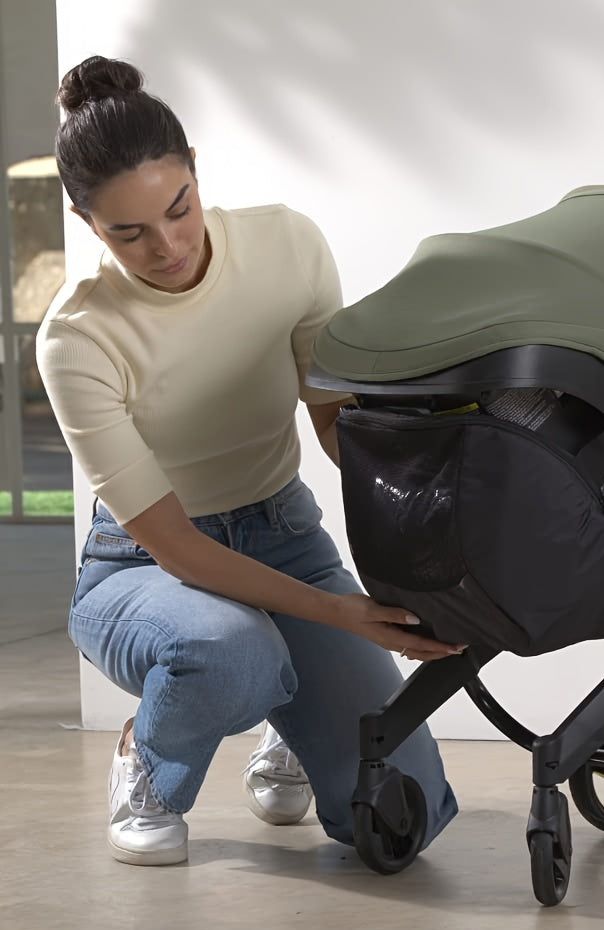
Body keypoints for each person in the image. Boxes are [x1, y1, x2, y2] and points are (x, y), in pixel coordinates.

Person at [37, 55, 462, 866]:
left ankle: (290, 723)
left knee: (403, 822)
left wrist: (428, 514)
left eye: (178, 210)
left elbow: (335, 419)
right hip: (144, 568)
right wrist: (339, 613)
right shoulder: (78, 336)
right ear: (88, 221)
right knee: (231, 648)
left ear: (195, 170)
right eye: (129, 232)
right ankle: (149, 770)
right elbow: (176, 547)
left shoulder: (286, 245)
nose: (166, 246)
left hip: (281, 529)